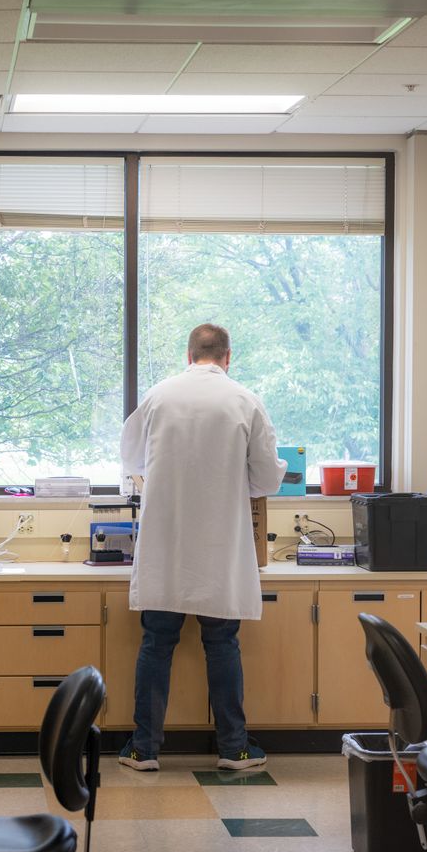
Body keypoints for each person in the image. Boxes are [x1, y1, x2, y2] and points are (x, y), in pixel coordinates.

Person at [118, 323, 287, 772]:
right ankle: (234, 749)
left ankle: (143, 749)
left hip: (165, 545)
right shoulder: (244, 400)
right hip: (219, 546)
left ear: (188, 354)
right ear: (228, 357)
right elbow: (269, 479)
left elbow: (131, 459)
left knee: (156, 643)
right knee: (222, 643)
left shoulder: (158, 396)